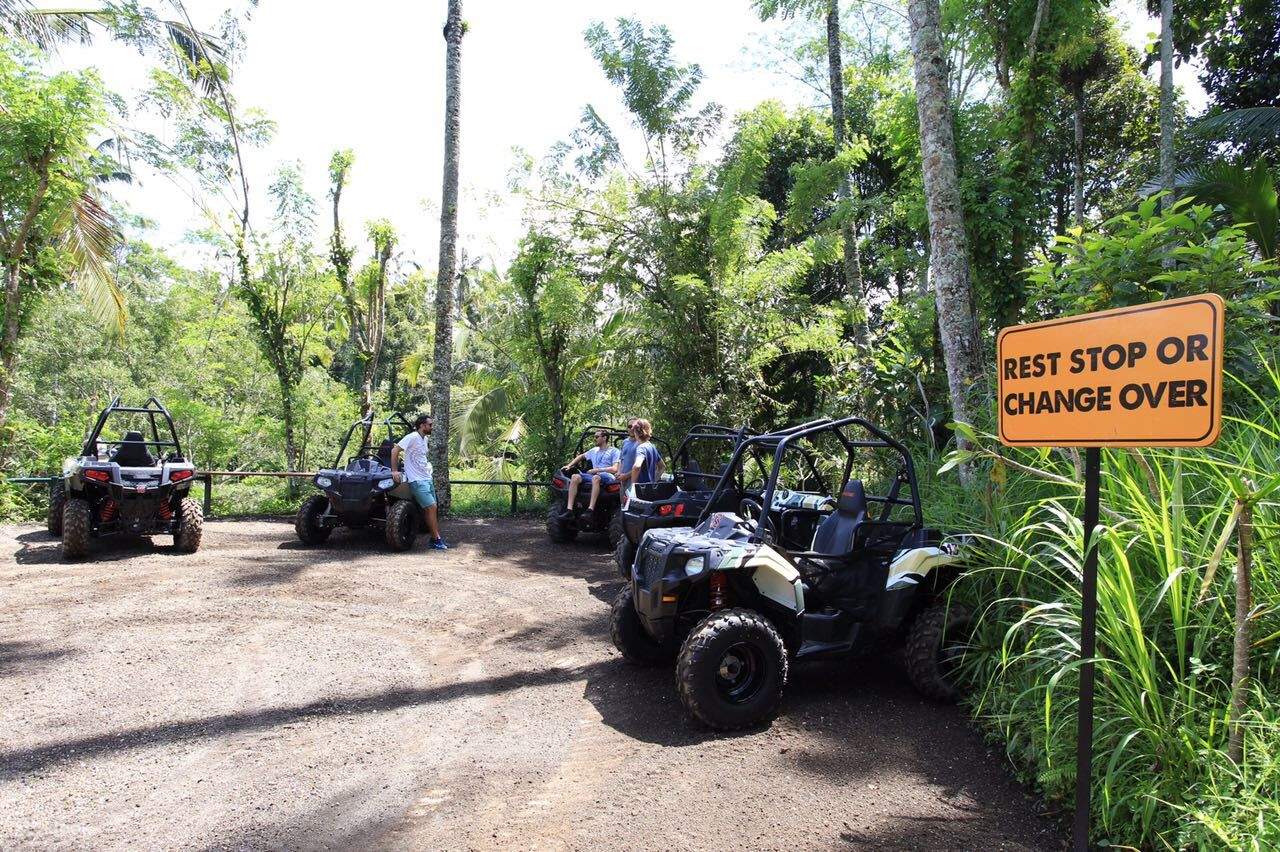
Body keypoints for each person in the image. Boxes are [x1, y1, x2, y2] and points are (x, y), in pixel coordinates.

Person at [390, 413, 448, 550]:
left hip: (426, 478)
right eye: (430, 425)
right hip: (417, 480)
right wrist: (394, 471)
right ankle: (436, 539)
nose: (432, 427)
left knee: (432, 509)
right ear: (422, 425)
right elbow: (394, 450)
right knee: (431, 507)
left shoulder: (424, 439)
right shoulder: (412, 437)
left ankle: (435, 539)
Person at [561, 429, 621, 517]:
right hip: (593, 475)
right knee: (575, 476)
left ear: (604, 438)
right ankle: (569, 509)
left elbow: (615, 469)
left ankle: (590, 509)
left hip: (607, 476)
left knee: (595, 478)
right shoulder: (594, 450)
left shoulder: (614, 451)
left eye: (597, 437)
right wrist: (569, 465)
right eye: (594, 437)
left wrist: (596, 470)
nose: (594, 439)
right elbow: (581, 456)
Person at [621, 418, 664, 505]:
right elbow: (662, 466)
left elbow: (637, 466)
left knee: (630, 514)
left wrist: (632, 487)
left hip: (639, 492)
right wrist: (653, 481)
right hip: (649, 489)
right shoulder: (651, 446)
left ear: (636, 432)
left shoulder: (641, 448)